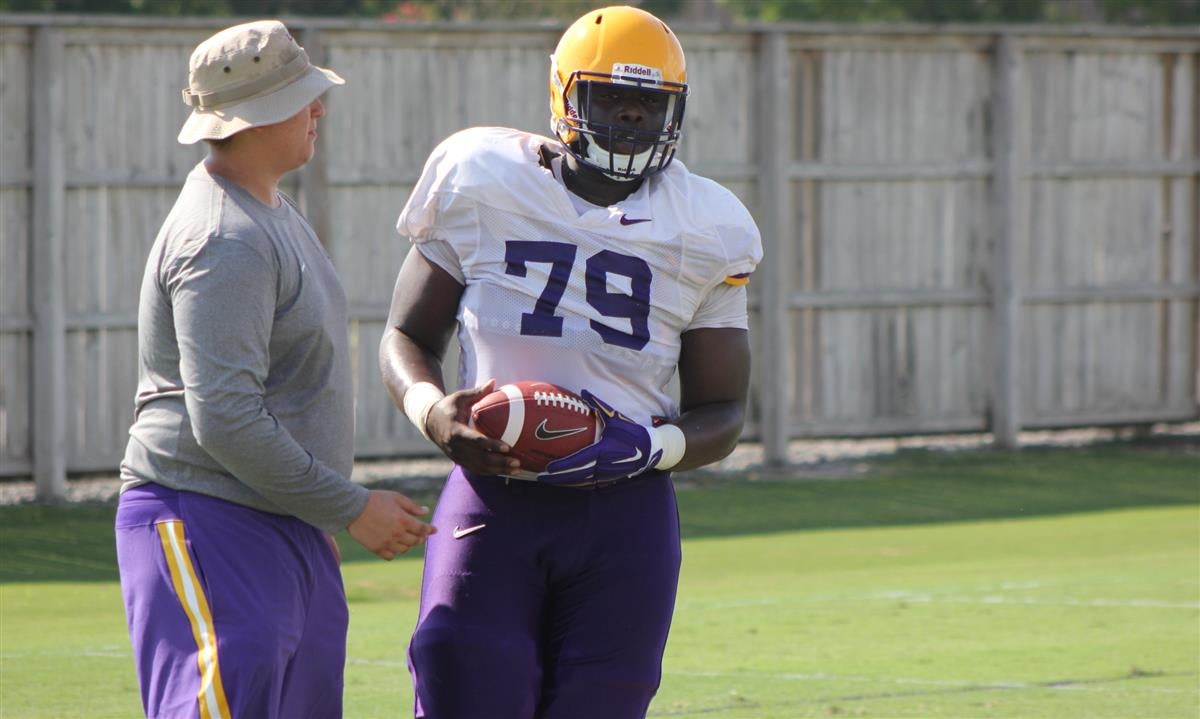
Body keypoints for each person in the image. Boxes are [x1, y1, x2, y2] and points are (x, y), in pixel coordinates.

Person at [378, 6, 762, 717]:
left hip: (624, 511)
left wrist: (646, 447)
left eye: (648, 105)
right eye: (609, 98)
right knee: (460, 673)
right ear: (564, 96)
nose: (627, 119)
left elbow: (725, 410)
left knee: (601, 701)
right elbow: (404, 335)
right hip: (496, 491)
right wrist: (434, 414)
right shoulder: (481, 176)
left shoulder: (708, 225)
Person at [114, 20, 435, 719]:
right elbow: (225, 418)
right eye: (302, 96)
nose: (319, 108)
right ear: (253, 118)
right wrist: (351, 508)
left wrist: (316, 511)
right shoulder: (223, 238)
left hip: (276, 522)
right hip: (204, 517)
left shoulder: (270, 212)